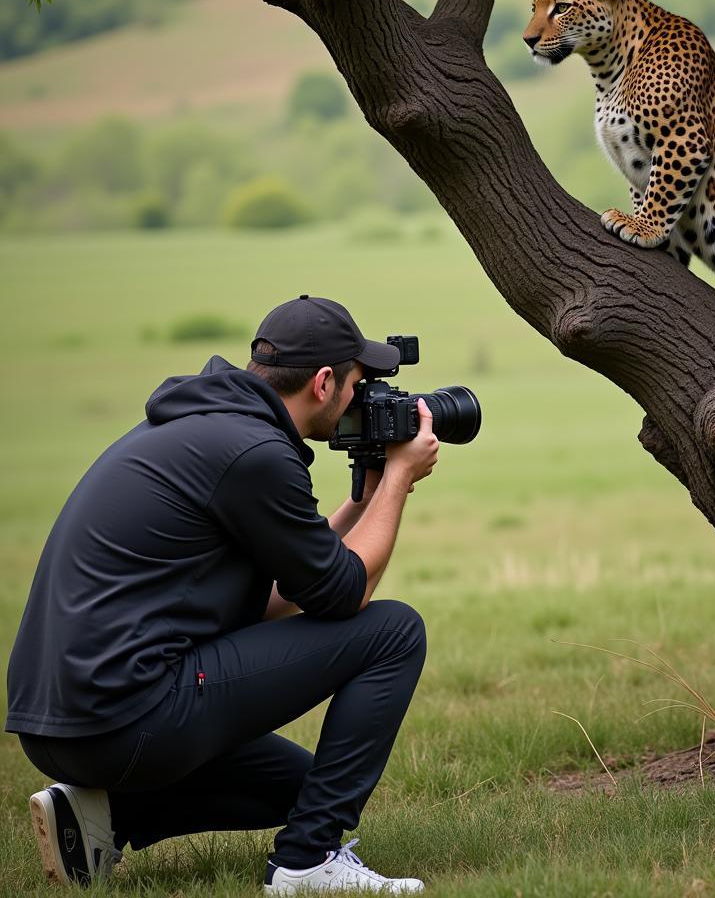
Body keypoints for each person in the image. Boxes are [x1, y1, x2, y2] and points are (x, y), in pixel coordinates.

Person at [6, 295, 438, 894]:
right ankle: (307, 865)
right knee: (395, 632)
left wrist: (363, 499)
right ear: (321, 383)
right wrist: (397, 479)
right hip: (124, 718)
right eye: (358, 385)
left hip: (61, 726)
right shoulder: (255, 455)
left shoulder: (205, 426)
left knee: (302, 788)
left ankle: (102, 816)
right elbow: (343, 596)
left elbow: (297, 588)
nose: (361, 402)